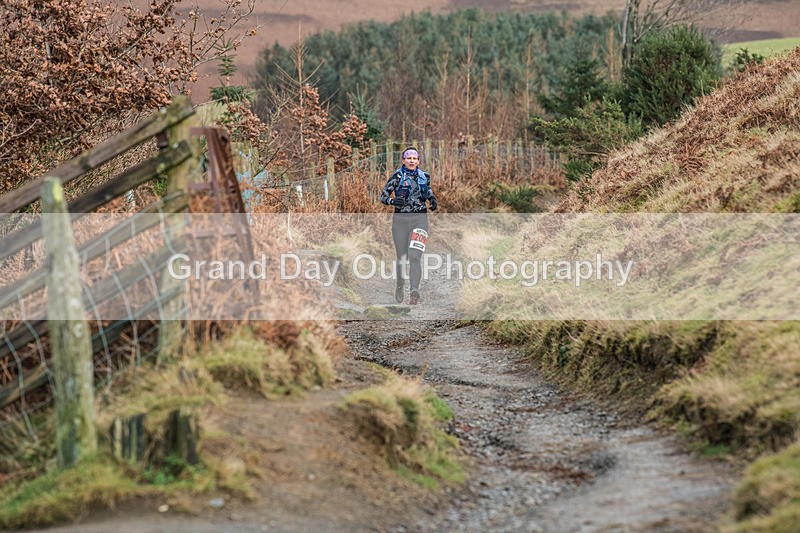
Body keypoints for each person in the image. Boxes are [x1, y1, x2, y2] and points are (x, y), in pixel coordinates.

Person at [380, 147, 438, 305]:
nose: (412, 160)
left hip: (420, 219)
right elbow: (383, 196)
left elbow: (428, 191)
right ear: (404, 161)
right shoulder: (397, 176)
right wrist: (392, 201)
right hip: (400, 221)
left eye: (415, 158)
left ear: (418, 161)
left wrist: (432, 200)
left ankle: (414, 290)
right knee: (402, 257)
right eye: (409, 158)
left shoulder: (424, 176)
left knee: (414, 256)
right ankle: (400, 285)